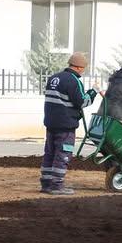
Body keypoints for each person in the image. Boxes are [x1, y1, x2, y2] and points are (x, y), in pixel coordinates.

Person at [40, 52, 103, 195]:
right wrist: (93, 92)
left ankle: (46, 183)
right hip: (66, 125)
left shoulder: (53, 78)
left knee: (50, 153)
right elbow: (82, 101)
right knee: (63, 154)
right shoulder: (73, 81)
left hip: (51, 123)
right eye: (83, 69)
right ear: (80, 68)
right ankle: (57, 186)